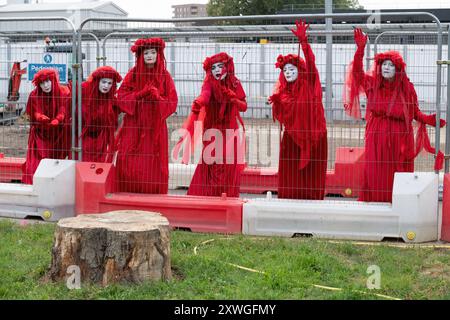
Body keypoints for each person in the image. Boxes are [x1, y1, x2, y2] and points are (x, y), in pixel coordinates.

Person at [344, 28, 446, 202]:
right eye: (384, 64)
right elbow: (357, 75)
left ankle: (398, 203)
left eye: (391, 65)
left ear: (398, 69)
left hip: (400, 138)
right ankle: (376, 203)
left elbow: (414, 112)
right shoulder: (372, 84)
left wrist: (429, 119)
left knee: (397, 173)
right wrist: (360, 50)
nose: (386, 67)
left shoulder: (407, 89)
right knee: (376, 171)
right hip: (377, 136)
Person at [268, 20, 327, 200]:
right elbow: (282, 117)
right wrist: (276, 103)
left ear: (299, 70)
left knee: (311, 176)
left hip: (313, 138)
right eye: (284, 69)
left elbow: (310, 62)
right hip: (292, 139)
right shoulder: (283, 92)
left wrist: (304, 42)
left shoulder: (309, 83)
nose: (287, 72)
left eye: (291, 68)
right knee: (291, 176)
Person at [174, 52, 247, 197]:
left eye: (221, 66)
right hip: (212, 129)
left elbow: (244, 106)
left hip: (230, 129)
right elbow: (205, 96)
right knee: (212, 161)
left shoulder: (235, 83)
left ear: (227, 66)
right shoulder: (209, 83)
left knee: (228, 163)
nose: (217, 70)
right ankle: (211, 196)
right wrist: (199, 101)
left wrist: (234, 99)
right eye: (213, 68)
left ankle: (226, 195)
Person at [115, 38, 178, 194]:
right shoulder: (133, 74)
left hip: (154, 125)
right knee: (130, 157)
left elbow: (172, 101)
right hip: (134, 124)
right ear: (140, 55)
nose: (150, 55)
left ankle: (153, 194)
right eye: (146, 53)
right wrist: (139, 95)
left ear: (159, 54)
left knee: (153, 160)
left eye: (153, 52)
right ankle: (129, 191)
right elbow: (121, 96)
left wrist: (158, 98)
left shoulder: (165, 75)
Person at [22, 69, 71, 184]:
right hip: (40, 134)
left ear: (53, 80)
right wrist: (39, 116)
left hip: (58, 134)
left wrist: (59, 118)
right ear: (38, 84)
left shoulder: (64, 92)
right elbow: (33, 111)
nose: (46, 85)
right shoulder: (34, 94)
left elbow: (64, 109)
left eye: (48, 81)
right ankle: (36, 183)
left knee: (56, 160)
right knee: (37, 160)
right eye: (42, 83)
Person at [79, 66, 122, 162]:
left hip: (102, 139)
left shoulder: (112, 99)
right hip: (85, 137)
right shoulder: (85, 94)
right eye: (103, 82)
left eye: (109, 83)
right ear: (97, 82)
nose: (106, 86)